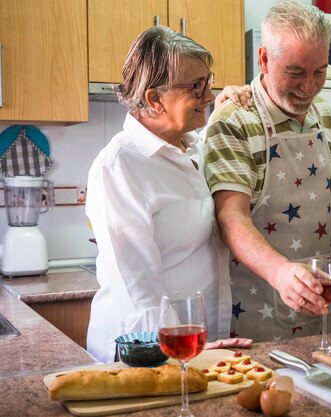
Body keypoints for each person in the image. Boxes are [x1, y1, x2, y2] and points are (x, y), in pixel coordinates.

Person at [86, 26, 232, 362]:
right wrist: (175, 351)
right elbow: (139, 291)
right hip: (145, 352)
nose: (208, 96)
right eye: (197, 87)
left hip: (195, 345)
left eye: (209, 82)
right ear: (154, 98)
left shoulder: (193, 148)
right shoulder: (119, 166)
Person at [202, 0, 331, 342]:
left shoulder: (323, 113)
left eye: (319, 71)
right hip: (257, 317)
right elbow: (230, 218)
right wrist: (280, 273)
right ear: (264, 59)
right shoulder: (234, 120)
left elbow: (329, 202)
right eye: (295, 72)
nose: (308, 87)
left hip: (323, 310)